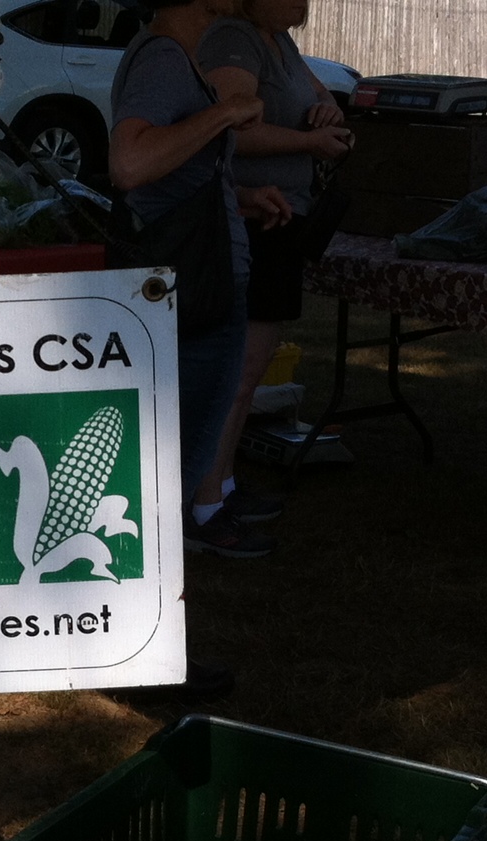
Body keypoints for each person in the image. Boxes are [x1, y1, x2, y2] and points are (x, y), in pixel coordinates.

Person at [110, 0, 291, 560]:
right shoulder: (164, 58)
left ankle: (169, 558)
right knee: (185, 445)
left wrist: (238, 197)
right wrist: (226, 112)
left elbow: (170, 173)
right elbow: (130, 164)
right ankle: (164, 572)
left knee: (187, 435)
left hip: (195, 271)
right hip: (194, 280)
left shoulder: (177, 54)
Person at [194, 0, 350, 524]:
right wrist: (309, 141)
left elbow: (320, 94)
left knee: (249, 371)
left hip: (280, 220)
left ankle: (222, 485)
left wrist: (327, 111)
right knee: (237, 374)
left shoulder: (277, 40)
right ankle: (205, 501)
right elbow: (229, 129)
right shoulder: (235, 39)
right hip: (254, 219)